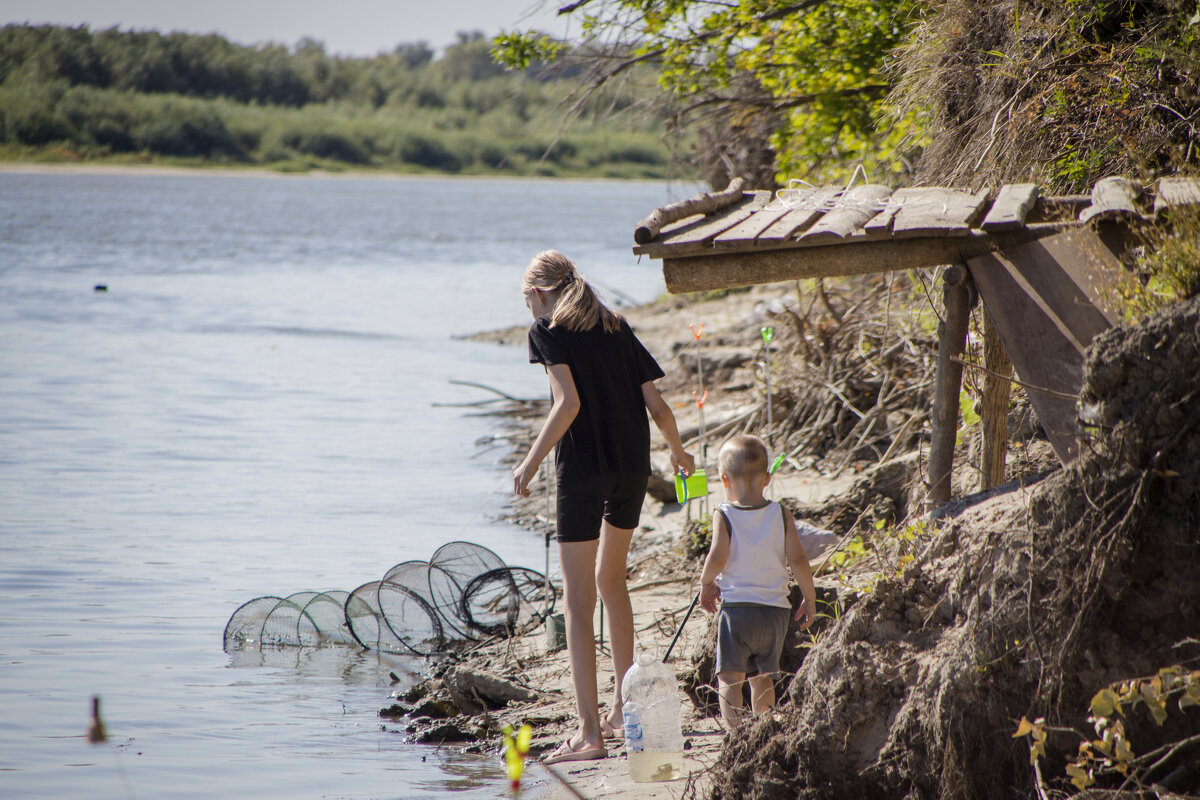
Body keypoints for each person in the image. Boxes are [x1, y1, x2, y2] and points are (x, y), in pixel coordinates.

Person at [512, 250, 695, 764]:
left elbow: (566, 405)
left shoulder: (547, 331)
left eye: (528, 297)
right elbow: (657, 406)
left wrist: (528, 465)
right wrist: (680, 455)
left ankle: (590, 734)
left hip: (585, 473)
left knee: (577, 600)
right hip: (633, 469)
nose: (529, 306)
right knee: (612, 584)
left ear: (538, 294)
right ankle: (621, 711)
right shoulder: (616, 326)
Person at [698, 433, 818, 729]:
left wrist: (706, 582)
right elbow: (799, 560)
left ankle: (734, 733)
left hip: (738, 612)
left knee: (729, 677)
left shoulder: (724, 514)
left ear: (724, 480)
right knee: (762, 676)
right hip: (775, 612)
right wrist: (809, 597)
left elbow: (717, 556)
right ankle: (764, 725)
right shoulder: (781, 513)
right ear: (767, 478)